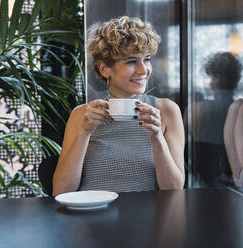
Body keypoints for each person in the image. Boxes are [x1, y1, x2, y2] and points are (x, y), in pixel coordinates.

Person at [52, 16, 185, 196]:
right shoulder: (82, 115)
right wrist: (84, 132)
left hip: (145, 218)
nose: (143, 70)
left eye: (146, 59)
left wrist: (156, 137)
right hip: (91, 216)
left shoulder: (167, 111)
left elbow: (175, 191)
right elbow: (60, 191)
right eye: (131, 61)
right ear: (104, 69)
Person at [184, 52, 243, 187]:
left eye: (211, 77)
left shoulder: (195, 109)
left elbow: (180, 150)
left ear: (216, 79)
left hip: (199, 186)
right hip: (234, 185)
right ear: (236, 79)